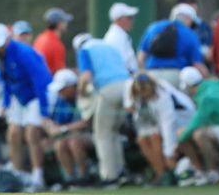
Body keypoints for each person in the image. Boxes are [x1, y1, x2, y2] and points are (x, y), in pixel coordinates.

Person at [0, 22, 52, 191]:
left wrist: (44, 109)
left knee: (31, 133)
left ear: (8, 39)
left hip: (36, 96)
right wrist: (6, 103)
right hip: (18, 97)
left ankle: (38, 176)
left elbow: (40, 80)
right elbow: (6, 81)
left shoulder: (23, 52)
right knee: (13, 133)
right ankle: (18, 174)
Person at [74, 32, 129, 185]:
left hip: (108, 89)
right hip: (126, 89)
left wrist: (81, 91)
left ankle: (109, 176)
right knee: (114, 132)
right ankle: (120, 171)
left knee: (102, 135)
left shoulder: (84, 50)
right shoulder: (109, 47)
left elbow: (86, 76)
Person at [176, 68, 219, 184]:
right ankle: (199, 171)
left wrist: (179, 142)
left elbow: (196, 122)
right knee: (183, 132)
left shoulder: (207, 96)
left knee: (199, 134)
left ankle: (213, 172)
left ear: (188, 86)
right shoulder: (212, 85)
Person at [123, 72, 194, 187]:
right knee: (141, 140)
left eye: (144, 92)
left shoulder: (162, 96)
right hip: (161, 124)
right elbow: (134, 113)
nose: (143, 95)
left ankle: (170, 173)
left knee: (155, 138)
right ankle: (161, 174)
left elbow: (168, 125)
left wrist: (168, 152)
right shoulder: (133, 89)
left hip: (182, 122)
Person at [138, 3, 207, 87]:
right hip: (176, 76)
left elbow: (141, 57)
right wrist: (208, 77)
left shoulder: (153, 28)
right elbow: (197, 64)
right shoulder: (190, 34)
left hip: (152, 74)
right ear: (188, 19)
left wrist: (145, 74)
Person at [42, 69, 92, 186]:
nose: (60, 92)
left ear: (71, 87)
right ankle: (70, 178)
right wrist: (50, 127)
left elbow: (85, 123)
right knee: (59, 145)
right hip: (66, 136)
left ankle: (83, 176)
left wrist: (63, 129)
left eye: (62, 89)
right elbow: (51, 121)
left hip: (88, 134)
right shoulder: (60, 100)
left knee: (74, 142)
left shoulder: (83, 96)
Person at [102, 3, 140, 73]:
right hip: (122, 80)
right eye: (129, 18)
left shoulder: (119, 34)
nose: (132, 20)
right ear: (118, 19)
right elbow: (123, 64)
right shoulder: (115, 37)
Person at [33, 8, 72, 74]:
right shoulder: (55, 43)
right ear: (59, 24)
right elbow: (60, 73)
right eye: (64, 21)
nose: (66, 23)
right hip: (49, 81)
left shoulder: (40, 38)